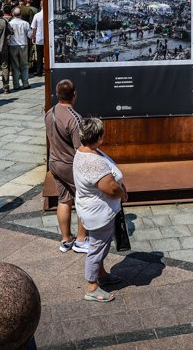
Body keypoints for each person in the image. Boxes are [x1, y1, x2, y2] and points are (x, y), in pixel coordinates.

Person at [73, 117, 127, 303]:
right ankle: (91, 286)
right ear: (98, 137)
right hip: (98, 213)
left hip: (94, 209)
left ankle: (101, 274)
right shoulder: (93, 162)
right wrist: (122, 194)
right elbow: (110, 189)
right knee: (96, 248)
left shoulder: (84, 151)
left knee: (101, 244)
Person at [45, 79, 89, 254]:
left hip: (54, 163)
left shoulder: (49, 113)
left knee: (63, 199)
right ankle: (81, 239)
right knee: (83, 200)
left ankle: (65, 239)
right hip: (70, 165)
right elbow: (80, 148)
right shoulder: (75, 118)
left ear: (57, 94)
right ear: (74, 95)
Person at [7, 7, 31, 91]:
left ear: (13, 14)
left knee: (15, 66)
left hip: (13, 45)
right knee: (24, 65)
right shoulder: (25, 23)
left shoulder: (9, 23)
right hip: (23, 44)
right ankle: (25, 83)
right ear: (20, 14)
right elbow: (30, 35)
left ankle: (16, 85)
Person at [31, 2, 45, 77]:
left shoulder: (37, 15)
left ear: (40, 5)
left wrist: (33, 37)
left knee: (39, 56)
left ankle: (39, 71)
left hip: (39, 38)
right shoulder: (50, 15)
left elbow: (34, 28)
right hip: (48, 39)